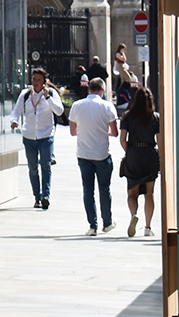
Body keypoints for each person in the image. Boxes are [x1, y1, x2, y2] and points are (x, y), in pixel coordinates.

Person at [68, 77, 119, 236]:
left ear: (89, 89)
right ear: (102, 91)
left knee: (87, 190)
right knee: (104, 189)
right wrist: (105, 132)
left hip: (83, 154)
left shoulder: (77, 106)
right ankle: (107, 222)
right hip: (102, 154)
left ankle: (92, 225)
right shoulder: (107, 106)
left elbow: (72, 131)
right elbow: (115, 132)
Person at [10, 67, 64, 210]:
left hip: (46, 135)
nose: (35, 82)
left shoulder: (51, 94)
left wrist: (48, 98)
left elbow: (59, 111)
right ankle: (37, 196)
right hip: (29, 136)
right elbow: (16, 110)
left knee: (45, 166)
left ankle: (46, 195)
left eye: (39, 80)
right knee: (33, 168)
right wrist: (14, 121)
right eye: (34, 79)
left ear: (44, 82)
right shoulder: (26, 94)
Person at [120, 85, 161, 237]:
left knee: (132, 193)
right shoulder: (155, 117)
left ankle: (133, 215)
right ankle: (148, 227)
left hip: (134, 154)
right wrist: (160, 159)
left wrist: (129, 152)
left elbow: (122, 139)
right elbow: (160, 140)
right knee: (149, 193)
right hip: (150, 153)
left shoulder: (127, 116)